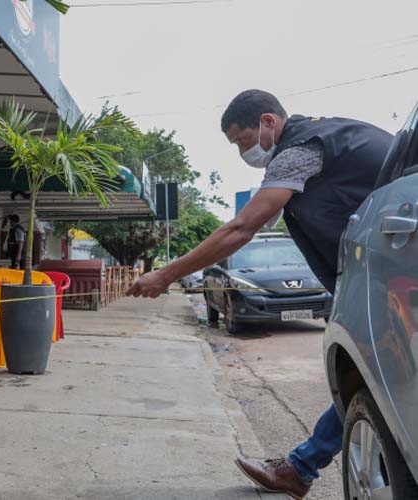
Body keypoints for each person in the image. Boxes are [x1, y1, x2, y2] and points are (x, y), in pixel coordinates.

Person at [126, 89, 393, 499]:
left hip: (395, 273)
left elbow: (241, 229)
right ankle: (300, 467)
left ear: (269, 122)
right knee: (371, 376)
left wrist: (165, 274)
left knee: (371, 375)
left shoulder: (300, 149)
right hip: (387, 270)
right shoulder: (328, 140)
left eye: (243, 141)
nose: (243, 153)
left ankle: (300, 467)